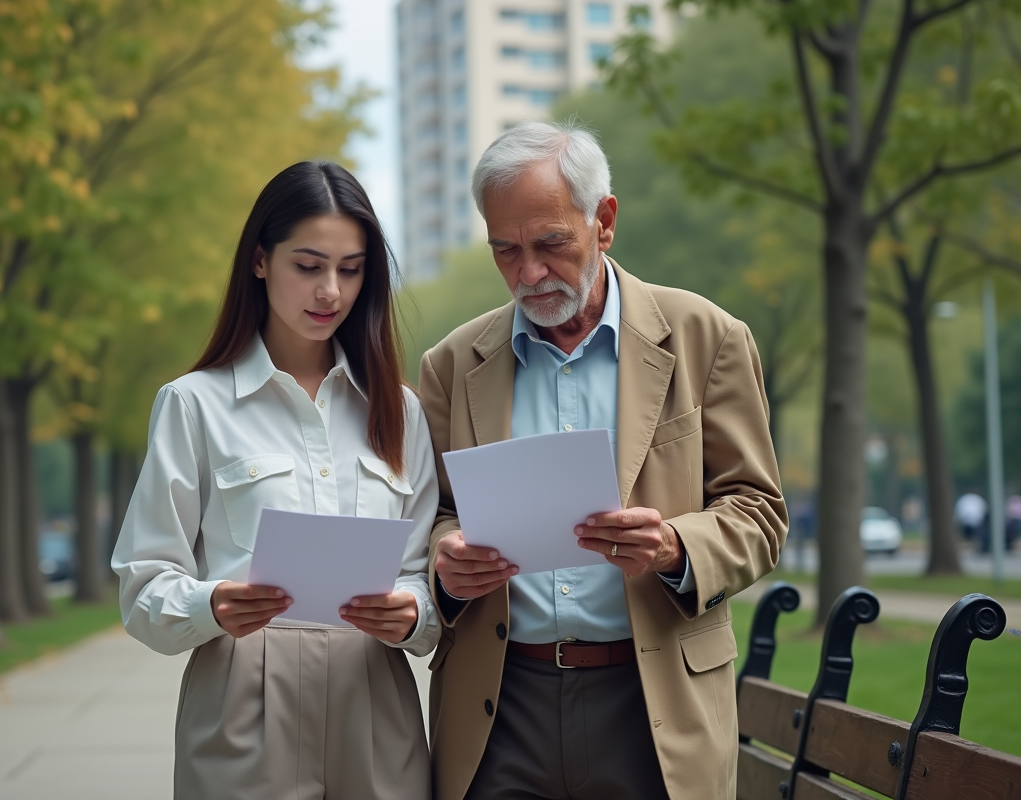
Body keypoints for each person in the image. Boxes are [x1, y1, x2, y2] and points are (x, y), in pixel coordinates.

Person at [420, 122, 788, 800]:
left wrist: (676, 545)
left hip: (655, 702)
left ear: (604, 220)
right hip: (501, 705)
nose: (528, 274)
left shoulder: (710, 338)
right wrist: (448, 555)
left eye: (551, 244)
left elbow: (759, 512)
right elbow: (438, 512)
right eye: (506, 251)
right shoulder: (448, 367)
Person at [111, 161, 439, 800]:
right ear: (260, 261)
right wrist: (212, 604)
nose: (331, 292)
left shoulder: (400, 412)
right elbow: (143, 586)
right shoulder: (192, 405)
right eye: (309, 266)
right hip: (242, 703)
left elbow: (425, 581)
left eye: (351, 269)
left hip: (372, 699)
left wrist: (412, 611)